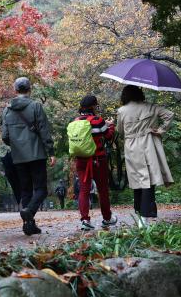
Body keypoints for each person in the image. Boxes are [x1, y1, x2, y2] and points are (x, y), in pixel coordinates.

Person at [1, 76, 56, 235]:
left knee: (25, 190)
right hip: (37, 153)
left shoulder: (7, 110)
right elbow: (44, 131)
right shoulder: (35, 106)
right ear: (29, 89)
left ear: (15, 90)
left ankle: (28, 225)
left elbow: (5, 136)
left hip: (18, 156)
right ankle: (30, 211)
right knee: (41, 189)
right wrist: (50, 151)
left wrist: (17, 145)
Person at [116, 85, 174, 227]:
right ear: (139, 93)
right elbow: (169, 115)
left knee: (137, 180)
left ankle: (140, 213)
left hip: (131, 148)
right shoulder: (151, 107)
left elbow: (120, 131)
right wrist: (160, 130)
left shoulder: (122, 111)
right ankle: (145, 216)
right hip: (149, 145)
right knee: (148, 179)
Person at [72, 95, 118, 230]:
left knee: (84, 190)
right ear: (93, 106)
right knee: (103, 190)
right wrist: (111, 125)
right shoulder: (98, 120)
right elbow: (109, 137)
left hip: (81, 161)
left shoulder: (75, 121)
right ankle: (107, 218)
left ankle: (85, 220)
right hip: (98, 160)